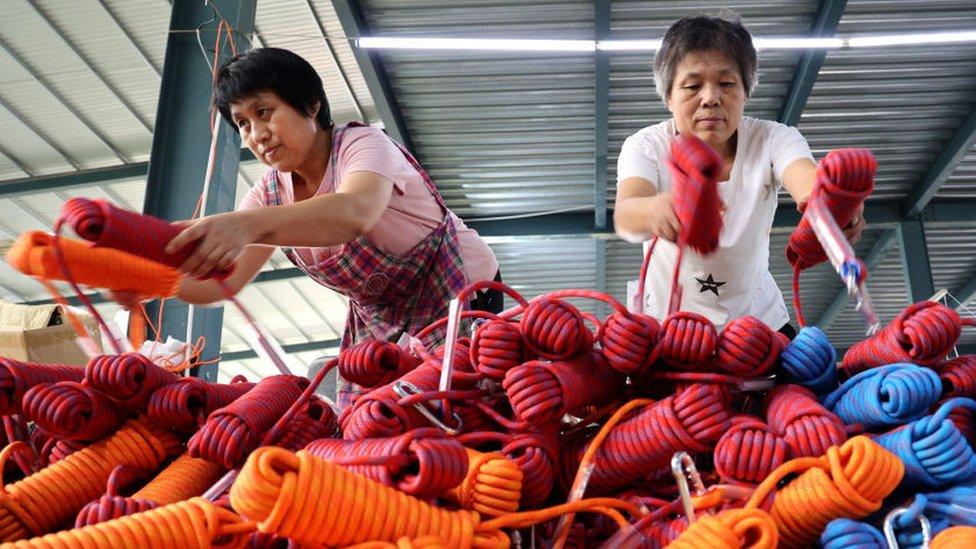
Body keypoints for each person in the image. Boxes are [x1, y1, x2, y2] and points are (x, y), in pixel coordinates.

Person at [114, 48, 501, 407]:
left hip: (456, 287)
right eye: (243, 124)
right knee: (364, 418)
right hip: (381, 318)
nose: (256, 135)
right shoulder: (269, 194)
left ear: (312, 105)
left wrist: (244, 226)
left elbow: (353, 214)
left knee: (453, 403)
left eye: (264, 112)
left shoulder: (361, 145)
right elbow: (221, 284)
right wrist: (154, 279)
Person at [614, 14, 865, 338]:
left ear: (746, 91)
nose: (710, 98)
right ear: (668, 97)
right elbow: (626, 214)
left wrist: (835, 207)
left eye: (727, 83)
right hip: (670, 329)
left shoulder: (774, 138)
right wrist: (659, 209)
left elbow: (809, 185)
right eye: (692, 86)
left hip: (759, 325)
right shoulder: (646, 145)